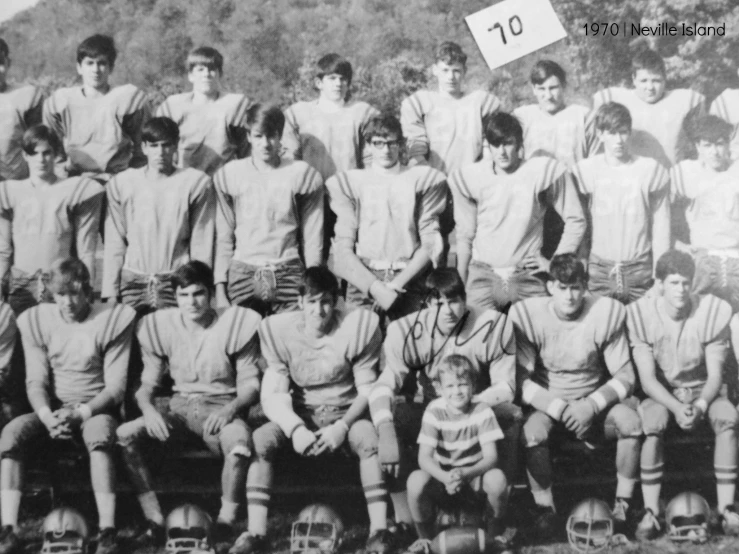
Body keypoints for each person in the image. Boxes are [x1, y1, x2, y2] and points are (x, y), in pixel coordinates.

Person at [229, 266, 392, 554]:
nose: (320, 310)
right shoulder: (278, 329)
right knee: (262, 439)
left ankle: (378, 531)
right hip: (302, 412)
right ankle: (256, 532)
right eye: (313, 301)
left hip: (346, 411)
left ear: (337, 301)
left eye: (326, 301)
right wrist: (295, 428)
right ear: (300, 301)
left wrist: (341, 427)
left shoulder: (358, 325)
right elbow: (273, 393)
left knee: (368, 437)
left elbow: (368, 389)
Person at [117, 261, 262, 548]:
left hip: (219, 406)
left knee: (239, 442)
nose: (191, 302)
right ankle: (154, 519)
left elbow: (251, 386)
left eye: (197, 294)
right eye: (183, 295)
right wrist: (148, 410)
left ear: (209, 293)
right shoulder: (162, 327)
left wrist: (229, 409)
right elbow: (147, 386)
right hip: (178, 410)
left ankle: (225, 521)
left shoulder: (233, 324)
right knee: (125, 435)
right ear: (175, 297)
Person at [369, 267, 518, 542]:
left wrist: (468, 406)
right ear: (426, 304)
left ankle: (495, 513)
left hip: (478, 406)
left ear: (465, 298)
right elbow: (384, 385)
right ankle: (405, 519)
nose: (448, 310)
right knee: (395, 417)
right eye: (439, 303)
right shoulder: (407, 329)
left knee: (510, 414)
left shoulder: (492, 324)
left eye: (454, 300)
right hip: (432, 410)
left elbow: (506, 387)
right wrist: (385, 428)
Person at [0, 258, 136, 554]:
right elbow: (35, 382)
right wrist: (48, 417)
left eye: (74, 293)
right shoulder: (38, 320)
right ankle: (8, 529)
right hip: (54, 409)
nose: (68, 302)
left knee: (98, 437)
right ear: (52, 295)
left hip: (95, 409)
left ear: (88, 291)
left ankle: (107, 530)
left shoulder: (111, 319)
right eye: (61, 295)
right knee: (11, 434)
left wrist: (82, 413)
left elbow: (115, 387)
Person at [510, 253, 641, 536]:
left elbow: (626, 376)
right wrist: (558, 408)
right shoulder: (530, 315)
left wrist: (591, 406)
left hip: (593, 399)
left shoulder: (604, 311)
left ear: (584, 287)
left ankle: (623, 506)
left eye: (575, 287)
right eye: (562, 287)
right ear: (550, 287)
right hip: (550, 403)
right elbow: (520, 379)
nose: (569, 296)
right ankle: (545, 510)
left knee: (631, 423)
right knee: (532, 433)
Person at [627, 250, 739, 540]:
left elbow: (715, 375)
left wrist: (700, 406)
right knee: (652, 423)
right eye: (674, 283)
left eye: (686, 283)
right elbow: (648, 380)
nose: (681, 290)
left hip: (704, 390)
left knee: (727, 418)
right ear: (660, 284)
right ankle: (651, 510)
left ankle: (727, 508)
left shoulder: (712, 311)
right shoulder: (641, 314)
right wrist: (677, 407)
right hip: (663, 392)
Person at [449, 112, 586, 311]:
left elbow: (576, 219)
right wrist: (460, 283)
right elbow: (465, 234)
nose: (502, 152)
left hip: (526, 276)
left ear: (520, 144)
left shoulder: (540, 171)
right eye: (495, 144)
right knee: (475, 336)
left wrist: (555, 264)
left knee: (534, 336)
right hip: (483, 276)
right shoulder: (472, 176)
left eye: (508, 143)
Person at [327, 114, 447, 321]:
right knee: (361, 343)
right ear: (369, 146)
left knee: (409, 346)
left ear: (401, 144)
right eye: (378, 143)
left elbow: (430, 243)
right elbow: (342, 249)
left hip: (409, 277)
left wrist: (398, 283)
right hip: (365, 276)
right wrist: (375, 287)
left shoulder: (420, 179)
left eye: (392, 143)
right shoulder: (353, 182)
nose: (385, 150)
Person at [214, 104, 323, 315]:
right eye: (258, 136)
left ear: (280, 135)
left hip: (287, 268)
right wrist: (220, 286)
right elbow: (224, 235)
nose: (265, 143)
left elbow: (312, 236)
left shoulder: (299, 173)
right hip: (243, 269)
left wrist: (313, 280)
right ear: (248, 136)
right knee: (243, 340)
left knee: (288, 338)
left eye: (271, 136)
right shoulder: (231, 174)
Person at [401, 41, 501, 266]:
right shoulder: (422, 102)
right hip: (434, 182)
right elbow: (415, 143)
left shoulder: (478, 102)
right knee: (433, 242)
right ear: (435, 69)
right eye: (445, 70)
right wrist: (423, 177)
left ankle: (466, 290)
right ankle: (434, 290)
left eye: (456, 70)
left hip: (468, 182)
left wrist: (485, 173)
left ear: (464, 71)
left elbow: (491, 138)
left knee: (471, 240)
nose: (451, 77)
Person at [102, 116, 214, 313]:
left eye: (166, 145)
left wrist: (200, 287)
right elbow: (114, 242)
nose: (160, 152)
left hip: (177, 280)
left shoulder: (194, 182)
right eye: (154, 146)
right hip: (134, 280)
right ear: (144, 147)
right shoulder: (123, 183)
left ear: (176, 145)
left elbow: (201, 241)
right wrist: (111, 293)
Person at [404, 355, 507, 554]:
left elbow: (491, 457)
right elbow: (423, 458)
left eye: (462, 384)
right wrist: (444, 477)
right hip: (443, 481)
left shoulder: (482, 410)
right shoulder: (434, 411)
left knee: (497, 479)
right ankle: (424, 539)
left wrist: (466, 473)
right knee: (415, 481)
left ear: (473, 385)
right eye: (450, 386)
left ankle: (495, 537)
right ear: (439, 389)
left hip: (473, 478)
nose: (457, 391)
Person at [282, 53, 379, 262]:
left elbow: (371, 159)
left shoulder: (361, 113)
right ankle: (314, 294)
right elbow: (290, 158)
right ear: (319, 82)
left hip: (350, 197)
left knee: (353, 254)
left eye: (343, 79)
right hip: (311, 197)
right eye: (332, 78)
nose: (338, 84)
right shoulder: (299, 113)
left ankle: (351, 294)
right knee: (312, 254)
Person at [0, 125, 104, 315]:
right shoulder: (10, 192)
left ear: (56, 154)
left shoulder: (72, 190)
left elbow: (85, 249)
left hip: (61, 282)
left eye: (47, 153)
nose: (41, 159)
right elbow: (3, 250)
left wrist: (86, 287)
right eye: (34, 153)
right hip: (21, 284)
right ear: (25, 155)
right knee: (21, 339)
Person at [572, 102, 670, 304]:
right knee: (601, 329)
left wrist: (660, 275)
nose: (618, 140)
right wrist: (581, 267)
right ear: (600, 134)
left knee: (641, 330)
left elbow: (661, 226)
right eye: (611, 132)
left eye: (623, 132)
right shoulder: (586, 170)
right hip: (599, 268)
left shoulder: (648, 169)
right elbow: (579, 223)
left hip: (639, 267)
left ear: (630, 132)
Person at [42, 34, 148, 179]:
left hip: (116, 180)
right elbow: (53, 150)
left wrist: (132, 181)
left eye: (102, 63)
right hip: (76, 181)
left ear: (111, 67)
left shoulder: (127, 99)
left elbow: (141, 150)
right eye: (90, 63)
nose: (96, 69)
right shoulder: (62, 102)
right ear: (79, 67)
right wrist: (61, 178)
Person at [591, 48, 705, 169]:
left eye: (656, 81)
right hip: (631, 178)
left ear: (665, 79)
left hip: (670, 177)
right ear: (633, 79)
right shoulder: (615, 98)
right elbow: (597, 142)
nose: (650, 87)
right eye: (644, 81)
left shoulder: (684, 100)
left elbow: (702, 143)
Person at [670, 115, 739, 312]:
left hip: (736, 255)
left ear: (728, 144)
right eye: (708, 145)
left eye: (720, 144)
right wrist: (677, 243)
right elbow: (661, 211)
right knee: (700, 318)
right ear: (698, 147)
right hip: (703, 259)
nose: (715, 152)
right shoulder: (687, 172)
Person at [156, 46, 250, 176]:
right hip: (184, 179)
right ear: (191, 76)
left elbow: (247, 150)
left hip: (223, 179)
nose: (206, 74)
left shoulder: (234, 104)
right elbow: (157, 147)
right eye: (200, 70)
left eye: (212, 69)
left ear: (220, 74)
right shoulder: (174, 105)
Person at [513, 60, 591, 167]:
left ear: (563, 86)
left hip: (573, 181)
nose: (548, 96)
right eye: (541, 89)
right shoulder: (523, 117)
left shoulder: (582, 116)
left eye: (553, 88)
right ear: (534, 89)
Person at [0, 38, 44, 181]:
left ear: (8, 63)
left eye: (0, 62)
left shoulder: (26, 96)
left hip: (18, 187)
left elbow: (39, 146)